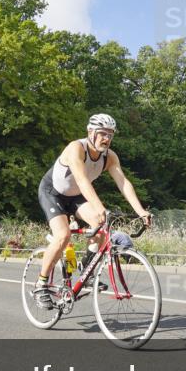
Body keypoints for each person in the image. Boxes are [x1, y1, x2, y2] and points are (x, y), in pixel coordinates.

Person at [35, 114, 151, 307]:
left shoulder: (110, 157)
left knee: (101, 225)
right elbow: (81, 180)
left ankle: (87, 268)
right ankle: (41, 283)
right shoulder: (76, 148)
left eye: (110, 135)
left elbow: (123, 183)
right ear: (90, 132)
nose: (106, 138)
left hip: (76, 196)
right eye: (102, 133)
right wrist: (100, 207)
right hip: (52, 192)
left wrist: (141, 211)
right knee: (63, 236)